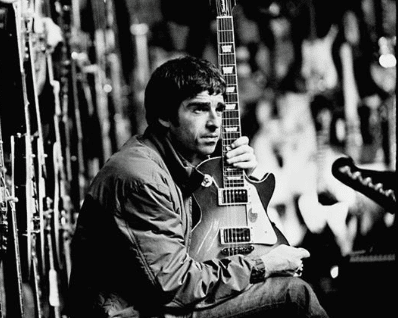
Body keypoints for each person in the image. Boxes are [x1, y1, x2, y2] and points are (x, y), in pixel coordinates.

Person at [65, 56, 329, 318]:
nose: (215, 123)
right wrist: (262, 266)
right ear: (165, 116)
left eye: (220, 109)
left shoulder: (170, 163)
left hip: (153, 306)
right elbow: (177, 287)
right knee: (294, 296)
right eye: (199, 109)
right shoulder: (142, 177)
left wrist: (247, 177)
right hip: (135, 313)